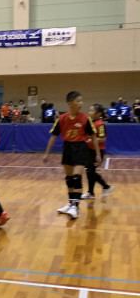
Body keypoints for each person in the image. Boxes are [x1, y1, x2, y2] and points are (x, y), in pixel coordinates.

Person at [43, 91, 101, 219]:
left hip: (80, 148)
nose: (81, 103)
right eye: (78, 101)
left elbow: (93, 137)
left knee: (76, 177)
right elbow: (53, 136)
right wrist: (47, 153)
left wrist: (98, 154)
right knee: (69, 179)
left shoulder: (85, 118)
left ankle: (76, 207)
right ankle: (70, 204)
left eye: (82, 101)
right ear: (70, 103)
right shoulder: (62, 118)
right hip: (67, 148)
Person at [81, 104, 113, 200]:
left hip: (97, 151)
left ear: (99, 113)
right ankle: (91, 193)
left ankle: (106, 187)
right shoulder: (89, 122)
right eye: (89, 110)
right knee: (88, 171)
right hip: (88, 150)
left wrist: (91, 140)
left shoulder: (100, 124)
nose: (89, 113)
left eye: (92, 111)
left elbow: (103, 139)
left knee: (91, 172)